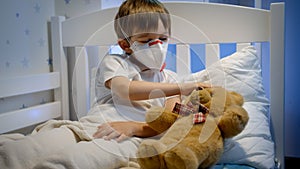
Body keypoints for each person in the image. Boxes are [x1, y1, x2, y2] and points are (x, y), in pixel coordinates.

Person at [0, 0, 210, 168]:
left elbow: (168, 118)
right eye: (146, 40)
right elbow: (124, 90)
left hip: (130, 138)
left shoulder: (170, 80)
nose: (157, 46)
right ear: (125, 45)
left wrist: (137, 127)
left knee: (76, 160)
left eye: (163, 39)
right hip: (89, 125)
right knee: (26, 150)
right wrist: (182, 88)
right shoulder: (115, 63)